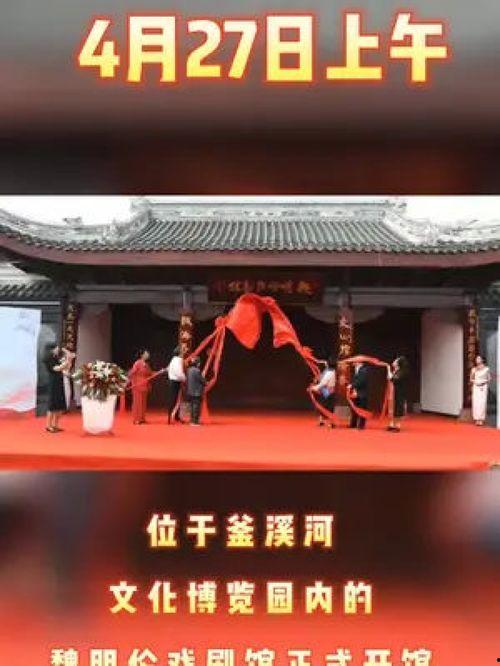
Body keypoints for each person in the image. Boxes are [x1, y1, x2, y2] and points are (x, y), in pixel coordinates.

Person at [44, 344, 66, 433]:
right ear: (51, 349)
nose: (58, 350)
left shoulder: (56, 358)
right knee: (52, 405)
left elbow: (63, 368)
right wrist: (65, 363)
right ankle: (48, 425)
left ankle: (55, 425)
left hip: (59, 381)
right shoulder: (48, 359)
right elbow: (56, 369)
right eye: (56, 348)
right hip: (53, 382)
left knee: (58, 405)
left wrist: (68, 360)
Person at [311, 356, 337, 429]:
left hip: (327, 391)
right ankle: (322, 421)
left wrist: (314, 387)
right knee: (324, 406)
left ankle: (331, 423)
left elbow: (323, 383)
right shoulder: (331, 370)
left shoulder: (329, 372)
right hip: (326, 391)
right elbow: (325, 364)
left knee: (328, 407)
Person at [129, 349, 153, 425]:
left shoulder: (146, 364)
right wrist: (132, 383)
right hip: (138, 385)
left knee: (143, 403)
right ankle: (136, 419)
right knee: (137, 403)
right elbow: (132, 373)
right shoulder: (137, 363)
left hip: (144, 385)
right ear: (142, 355)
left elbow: (150, 373)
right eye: (146, 353)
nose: (148, 354)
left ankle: (142, 418)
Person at [387, 356, 409, 432]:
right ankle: (392, 424)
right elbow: (390, 378)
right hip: (394, 392)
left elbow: (393, 379)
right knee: (393, 407)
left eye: (396, 361)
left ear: (399, 363)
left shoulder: (402, 372)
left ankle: (398, 426)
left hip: (399, 392)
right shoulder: (396, 371)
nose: (394, 361)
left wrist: (388, 369)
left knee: (398, 408)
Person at [166, 346, 186, 424]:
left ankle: (175, 417)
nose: (184, 352)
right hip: (175, 382)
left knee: (175, 399)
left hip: (173, 381)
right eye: (183, 351)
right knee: (174, 400)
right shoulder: (178, 360)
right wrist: (184, 378)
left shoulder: (173, 359)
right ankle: (171, 417)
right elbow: (179, 373)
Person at [470, 355, 491, 426]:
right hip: (476, 386)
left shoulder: (486, 369)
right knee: (476, 402)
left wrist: (483, 381)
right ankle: (476, 419)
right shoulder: (473, 369)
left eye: (479, 358)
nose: (477, 360)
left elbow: (489, 378)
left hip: (483, 387)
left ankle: (481, 419)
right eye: (476, 358)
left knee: (482, 403)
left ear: (482, 360)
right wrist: (475, 381)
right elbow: (471, 379)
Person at [348, 361, 369, 430]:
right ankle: (353, 424)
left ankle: (361, 425)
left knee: (362, 409)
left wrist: (352, 385)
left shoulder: (364, 370)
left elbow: (361, 381)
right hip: (356, 392)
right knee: (355, 408)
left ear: (360, 362)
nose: (353, 362)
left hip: (362, 392)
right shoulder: (356, 369)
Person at [185, 357, 206, 426]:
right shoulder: (197, 371)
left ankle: (192, 420)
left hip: (190, 391)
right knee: (196, 407)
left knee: (192, 406)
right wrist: (205, 380)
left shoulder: (188, 370)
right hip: (196, 392)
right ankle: (195, 422)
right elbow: (202, 380)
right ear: (197, 363)